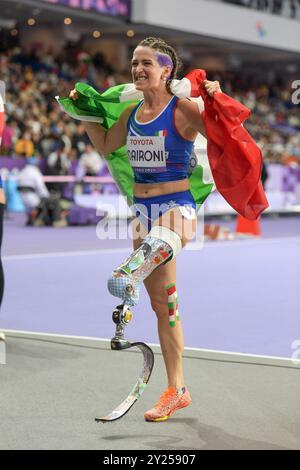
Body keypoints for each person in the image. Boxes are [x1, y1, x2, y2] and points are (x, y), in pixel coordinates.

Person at [69, 37, 221, 422]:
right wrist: (84, 112)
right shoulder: (130, 115)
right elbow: (105, 145)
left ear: (166, 70)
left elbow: (224, 137)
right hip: (142, 211)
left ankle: (128, 274)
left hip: (177, 208)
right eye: (134, 63)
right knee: (165, 306)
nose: (137, 69)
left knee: (149, 254)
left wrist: (216, 100)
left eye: (145, 64)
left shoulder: (184, 110)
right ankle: (177, 390)